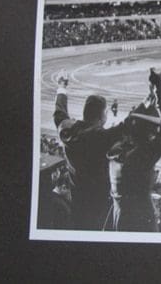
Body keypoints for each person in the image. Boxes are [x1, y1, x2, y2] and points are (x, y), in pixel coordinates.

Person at [53, 69, 127, 230]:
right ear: (103, 115)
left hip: (77, 199)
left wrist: (62, 86)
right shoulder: (101, 137)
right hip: (99, 204)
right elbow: (128, 126)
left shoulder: (67, 131)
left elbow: (59, 112)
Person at [106, 76, 161, 232]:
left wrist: (146, 103)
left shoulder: (118, 149)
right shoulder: (139, 157)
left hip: (121, 216)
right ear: (149, 134)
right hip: (140, 221)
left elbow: (130, 123)